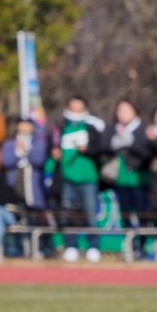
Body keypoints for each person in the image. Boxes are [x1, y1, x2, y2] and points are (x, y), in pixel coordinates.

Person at [54, 95, 105, 262]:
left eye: (79, 108)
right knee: (68, 215)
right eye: (73, 108)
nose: (76, 112)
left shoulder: (91, 128)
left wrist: (87, 149)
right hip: (67, 179)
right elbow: (52, 146)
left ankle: (93, 247)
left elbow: (101, 149)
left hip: (88, 179)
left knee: (91, 215)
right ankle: (70, 246)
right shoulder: (61, 127)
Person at [105, 99, 152, 225]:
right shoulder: (112, 130)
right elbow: (103, 149)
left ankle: (142, 241)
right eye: (120, 110)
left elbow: (147, 153)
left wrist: (128, 141)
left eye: (126, 110)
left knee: (141, 211)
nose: (123, 113)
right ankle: (129, 239)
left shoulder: (143, 130)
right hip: (120, 178)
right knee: (124, 212)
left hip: (138, 178)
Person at [0, 116, 48, 210]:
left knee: (33, 208)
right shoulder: (10, 142)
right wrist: (18, 152)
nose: (24, 128)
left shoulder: (38, 142)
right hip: (15, 179)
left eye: (27, 125)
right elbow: (6, 161)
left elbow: (38, 160)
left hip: (32, 180)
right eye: (22, 125)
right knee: (15, 205)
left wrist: (25, 148)